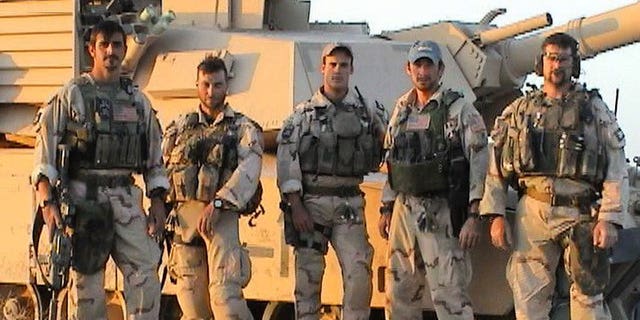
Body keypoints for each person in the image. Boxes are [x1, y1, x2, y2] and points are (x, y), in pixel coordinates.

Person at [480, 32, 625, 319]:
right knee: (529, 300)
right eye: (551, 58)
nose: (556, 65)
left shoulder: (593, 110)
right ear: (540, 62)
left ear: (574, 64)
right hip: (533, 211)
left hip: (579, 210)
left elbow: (615, 165)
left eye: (563, 59)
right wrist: (495, 215)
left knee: (588, 298)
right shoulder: (521, 110)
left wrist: (609, 218)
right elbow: (496, 164)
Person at [32, 20, 168, 319]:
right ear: (91, 49)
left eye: (117, 44)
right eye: (104, 44)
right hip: (85, 196)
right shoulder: (71, 95)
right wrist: (47, 201)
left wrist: (157, 199)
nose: (111, 51)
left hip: (126, 196)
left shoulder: (137, 100)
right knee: (88, 287)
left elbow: (154, 157)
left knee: (145, 274)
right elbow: (45, 153)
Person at [379, 40, 488, 320]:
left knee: (451, 297)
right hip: (405, 211)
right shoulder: (402, 109)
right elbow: (392, 159)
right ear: (408, 69)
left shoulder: (459, 110)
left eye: (429, 65)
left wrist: (474, 215)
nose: (423, 72)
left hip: (443, 212)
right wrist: (386, 207)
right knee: (399, 294)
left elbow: (479, 161)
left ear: (440, 70)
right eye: (418, 65)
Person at [276, 43, 385, 320]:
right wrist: (296, 205)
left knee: (359, 274)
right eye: (332, 64)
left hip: (349, 203)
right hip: (311, 204)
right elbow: (287, 161)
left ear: (351, 69)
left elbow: (389, 147)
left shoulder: (367, 112)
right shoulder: (303, 115)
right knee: (308, 280)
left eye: (344, 65)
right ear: (322, 67)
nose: (338, 70)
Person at [162, 55, 262, 320]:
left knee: (226, 302)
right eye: (205, 84)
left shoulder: (243, 127)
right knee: (192, 304)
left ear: (226, 86)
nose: (211, 91)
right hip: (184, 220)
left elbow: (249, 169)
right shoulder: (179, 127)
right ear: (197, 84)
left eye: (217, 85)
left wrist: (219, 203)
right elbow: (159, 167)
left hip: (222, 216)